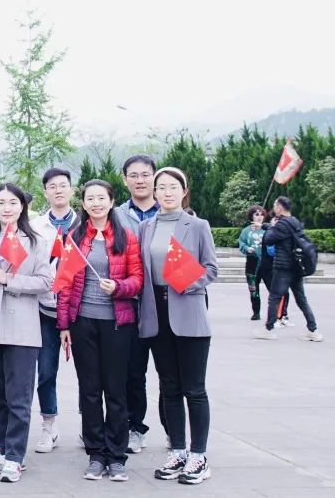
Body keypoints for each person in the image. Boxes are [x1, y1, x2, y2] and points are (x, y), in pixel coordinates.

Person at [57, 180, 144, 482]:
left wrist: (118, 287)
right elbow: (65, 284)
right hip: (83, 323)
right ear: (83, 204)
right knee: (90, 390)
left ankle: (116, 456)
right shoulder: (75, 237)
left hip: (117, 324)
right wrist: (64, 325)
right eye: (90, 199)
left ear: (111, 201)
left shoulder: (126, 237)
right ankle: (95, 454)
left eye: (101, 198)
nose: (96, 203)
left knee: (116, 390)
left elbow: (137, 280)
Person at [0, 183, 51, 484]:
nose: (7, 208)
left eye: (13, 202)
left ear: (22, 207)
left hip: (23, 330)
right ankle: (4, 450)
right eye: (1, 202)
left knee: (19, 397)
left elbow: (45, 282)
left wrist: (9, 279)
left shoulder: (36, 242)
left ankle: (16, 456)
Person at [140, 167, 217, 485]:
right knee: (169, 387)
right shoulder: (146, 227)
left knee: (194, 389)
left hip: (188, 311)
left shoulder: (197, 226)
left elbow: (211, 268)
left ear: (184, 191)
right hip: (157, 314)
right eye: (161, 187)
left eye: (173, 186)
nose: (167, 192)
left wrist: (187, 281)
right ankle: (178, 451)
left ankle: (199, 456)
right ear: (154, 192)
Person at [29, 167, 77, 455]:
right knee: (46, 371)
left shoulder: (84, 223)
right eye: (52, 186)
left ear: (72, 189)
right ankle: (49, 426)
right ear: (45, 192)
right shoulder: (36, 226)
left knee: (90, 373)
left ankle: (91, 425)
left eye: (63, 185)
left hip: (80, 309)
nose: (58, 190)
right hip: (46, 307)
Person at [114, 153, 160, 455]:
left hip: (164, 304)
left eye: (145, 174)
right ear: (125, 179)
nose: (140, 180)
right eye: (134, 175)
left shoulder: (170, 211)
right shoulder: (116, 215)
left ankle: (175, 432)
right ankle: (134, 426)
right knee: (132, 372)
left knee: (171, 374)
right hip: (129, 304)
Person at [258, 196, 323, 342]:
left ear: (280, 207)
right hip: (296, 267)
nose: (274, 208)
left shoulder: (281, 224)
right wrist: (265, 226)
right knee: (301, 299)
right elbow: (278, 231)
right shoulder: (294, 222)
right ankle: (313, 330)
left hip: (283, 267)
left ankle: (268, 329)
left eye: (275, 205)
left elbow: (269, 239)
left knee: (274, 297)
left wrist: (271, 226)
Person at [238, 205, 266, 321]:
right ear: (252, 216)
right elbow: (241, 243)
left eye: (262, 214)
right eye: (257, 214)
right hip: (252, 263)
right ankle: (256, 312)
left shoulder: (267, 229)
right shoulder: (246, 231)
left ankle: (278, 313)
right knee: (253, 289)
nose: (260, 217)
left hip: (266, 262)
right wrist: (247, 248)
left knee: (273, 288)